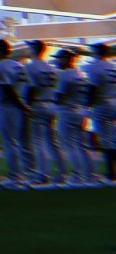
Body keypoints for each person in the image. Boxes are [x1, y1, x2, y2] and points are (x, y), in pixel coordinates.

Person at [0, 39, 32, 189]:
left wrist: (21, 105)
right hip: (21, 106)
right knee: (24, 143)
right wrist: (25, 106)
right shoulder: (19, 66)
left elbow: (8, 89)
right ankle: (28, 175)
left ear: (1, 51)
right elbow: (28, 87)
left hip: (9, 107)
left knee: (10, 144)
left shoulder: (0, 67)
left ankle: (16, 177)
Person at [24, 41, 66, 187]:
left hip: (38, 103)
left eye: (30, 48)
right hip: (51, 104)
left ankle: (43, 174)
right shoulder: (51, 68)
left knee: (38, 141)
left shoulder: (31, 66)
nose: (28, 50)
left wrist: (27, 106)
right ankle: (62, 173)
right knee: (53, 142)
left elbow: (31, 88)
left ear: (35, 49)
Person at [53, 49, 94, 186]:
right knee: (81, 146)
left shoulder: (64, 75)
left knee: (69, 146)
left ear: (66, 59)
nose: (57, 61)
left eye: (59, 58)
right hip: (80, 111)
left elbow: (59, 97)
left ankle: (77, 176)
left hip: (68, 111)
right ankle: (89, 175)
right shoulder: (79, 74)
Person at [82, 43, 116, 181]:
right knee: (113, 139)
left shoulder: (94, 66)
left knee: (106, 140)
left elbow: (92, 89)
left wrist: (87, 106)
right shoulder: (112, 66)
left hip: (102, 103)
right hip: (114, 101)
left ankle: (111, 173)